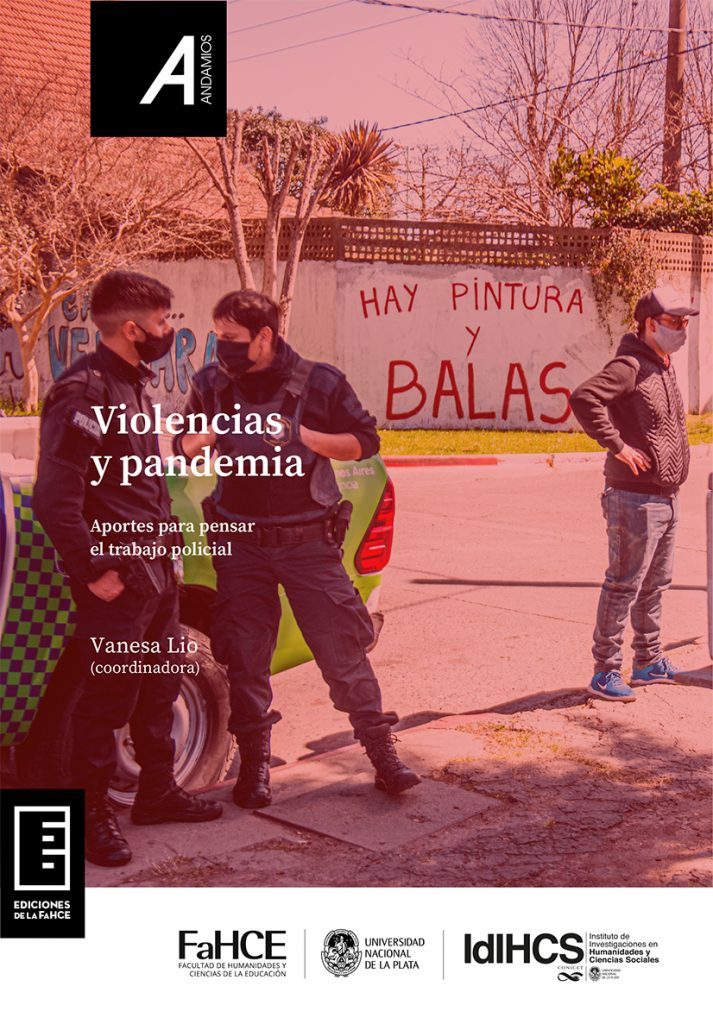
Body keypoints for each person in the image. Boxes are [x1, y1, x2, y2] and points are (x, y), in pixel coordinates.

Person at [175, 289, 421, 806]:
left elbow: (365, 441)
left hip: (308, 542)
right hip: (240, 544)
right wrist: (207, 435)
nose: (221, 347)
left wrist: (306, 437)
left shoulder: (319, 382)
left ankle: (383, 757)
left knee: (342, 653)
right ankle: (254, 769)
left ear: (264, 336)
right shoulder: (211, 384)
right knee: (245, 660)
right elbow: (183, 445)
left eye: (231, 338)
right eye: (217, 336)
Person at [33, 270, 222, 868]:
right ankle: (91, 819)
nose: (169, 331)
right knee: (105, 703)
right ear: (134, 329)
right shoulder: (82, 393)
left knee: (160, 686)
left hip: (156, 571)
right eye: (163, 322)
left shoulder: (135, 387)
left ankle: (157, 793)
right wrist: (93, 569)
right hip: (118, 579)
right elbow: (55, 499)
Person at [569, 286, 699, 702]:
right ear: (650, 325)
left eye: (685, 322)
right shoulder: (629, 366)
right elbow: (584, 398)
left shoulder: (662, 365)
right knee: (623, 585)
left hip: (666, 496)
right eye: (675, 322)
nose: (682, 329)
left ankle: (648, 660)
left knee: (655, 585)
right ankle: (605, 671)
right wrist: (618, 446)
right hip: (634, 499)